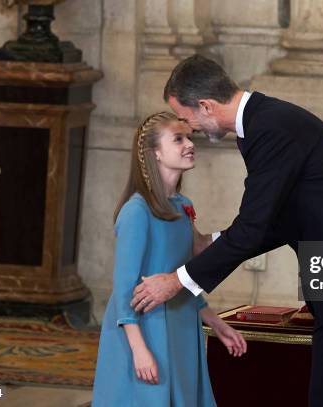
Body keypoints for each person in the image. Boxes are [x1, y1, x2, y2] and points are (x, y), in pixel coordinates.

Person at [130, 55, 323, 406]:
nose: (192, 130)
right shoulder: (264, 122)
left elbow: (253, 226)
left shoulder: (270, 128)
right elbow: (279, 220)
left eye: (188, 119)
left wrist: (175, 281)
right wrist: (212, 243)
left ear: (205, 105)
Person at [92, 111, 247, 407]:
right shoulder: (136, 212)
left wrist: (216, 323)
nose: (190, 144)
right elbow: (125, 289)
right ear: (156, 154)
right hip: (143, 328)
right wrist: (139, 350)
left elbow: (185, 276)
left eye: (189, 137)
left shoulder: (183, 206)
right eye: (178, 139)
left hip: (181, 323)